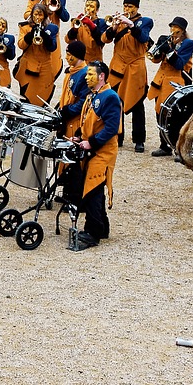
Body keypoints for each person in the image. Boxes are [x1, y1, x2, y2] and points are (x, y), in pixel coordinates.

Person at [71, 61, 121, 250]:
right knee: (95, 188)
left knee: (92, 188)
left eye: (90, 74)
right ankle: (102, 227)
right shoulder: (93, 95)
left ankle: (92, 232)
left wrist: (91, 142)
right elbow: (86, 121)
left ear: (102, 76)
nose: (86, 77)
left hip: (103, 151)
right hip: (92, 149)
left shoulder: (110, 97)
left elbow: (111, 128)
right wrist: (78, 136)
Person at [101, 0, 152, 152]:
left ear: (136, 8)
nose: (127, 9)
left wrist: (130, 24)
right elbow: (105, 39)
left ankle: (139, 139)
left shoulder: (146, 21)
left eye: (130, 7)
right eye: (125, 6)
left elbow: (144, 38)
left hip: (135, 68)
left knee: (137, 103)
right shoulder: (119, 22)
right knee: (115, 101)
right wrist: (115, 27)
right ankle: (118, 135)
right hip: (118, 66)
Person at [147, 17, 193, 156]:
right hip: (161, 81)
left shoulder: (188, 43)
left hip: (175, 82)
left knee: (174, 116)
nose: (173, 30)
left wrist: (168, 50)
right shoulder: (170, 41)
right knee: (159, 114)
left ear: (183, 30)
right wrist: (157, 47)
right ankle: (165, 145)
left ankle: (179, 147)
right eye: (172, 27)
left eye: (176, 28)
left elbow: (179, 64)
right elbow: (155, 60)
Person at [16, 3, 58, 105]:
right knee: (25, 97)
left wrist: (44, 35)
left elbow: (52, 47)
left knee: (43, 96)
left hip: (44, 67)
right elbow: (21, 45)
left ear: (45, 16)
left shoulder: (51, 28)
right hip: (27, 66)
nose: (38, 17)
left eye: (40, 15)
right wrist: (30, 35)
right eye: (35, 14)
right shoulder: (25, 27)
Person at [57, 41, 90, 138]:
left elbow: (84, 101)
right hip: (67, 118)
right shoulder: (71, 71)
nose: (66, 57)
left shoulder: (84, 74)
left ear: (76, 56)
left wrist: (68, 111)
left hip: (75, 121)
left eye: (69, 55)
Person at [66, 0, 108, 64]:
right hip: (80, 60)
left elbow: (100, 42)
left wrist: (91, 25)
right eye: (86, 6)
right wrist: (74, 29)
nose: (88, 8)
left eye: (91, 6)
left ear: (97, 10)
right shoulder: (79, 22)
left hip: (95, 61)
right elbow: (68, 40)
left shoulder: (101, 23)